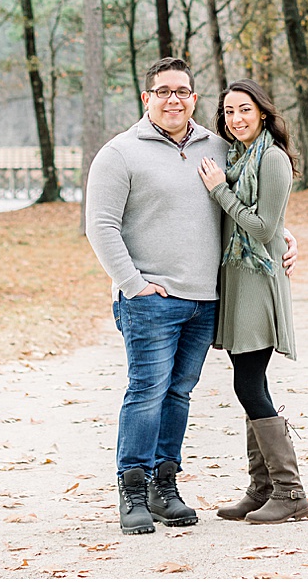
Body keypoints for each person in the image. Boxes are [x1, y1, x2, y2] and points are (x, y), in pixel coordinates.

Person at [82, 57, 297, 536]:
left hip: (206, 300)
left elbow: (248, 202)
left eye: (181, 91)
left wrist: (285, 236)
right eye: (163, 91)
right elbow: (100, 226)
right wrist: (134, 284)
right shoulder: (119, 153)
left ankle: (165, 487)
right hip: (151, 299)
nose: (173, 99)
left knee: (179, 394)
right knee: (146, 393)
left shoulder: (216, 146)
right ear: (147, 98)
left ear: (193, 98)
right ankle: (133, 492)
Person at [197, 79, 307, 524]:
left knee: (248, 383)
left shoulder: (273, 158)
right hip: (237, 281)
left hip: (258, 282)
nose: (236, 118)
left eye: (244, 109)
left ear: (262, 112)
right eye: (228, 112)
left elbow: (263, 228)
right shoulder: (240, 158)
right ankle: (263, 488)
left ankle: (289, 490)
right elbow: (274, 225)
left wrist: (219, 190)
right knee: (250, 383)